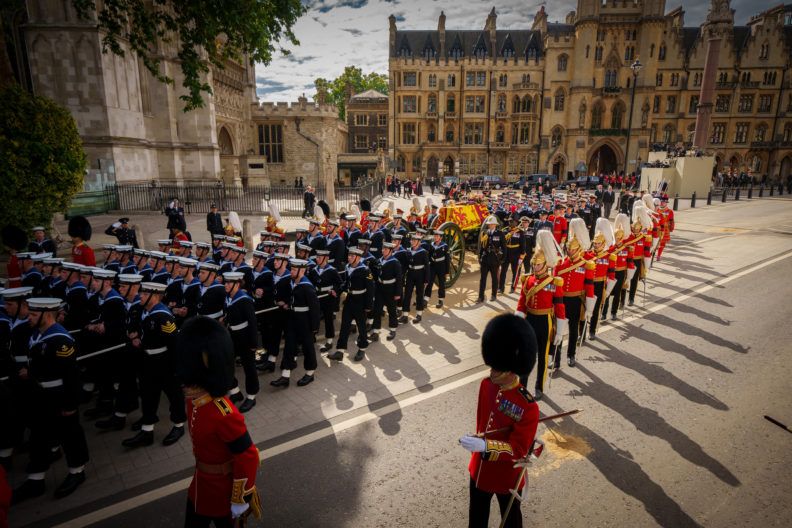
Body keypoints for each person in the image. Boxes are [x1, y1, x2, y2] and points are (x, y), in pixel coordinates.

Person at [176, 316, 262, 528]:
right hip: (200, 485)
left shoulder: (223, 413)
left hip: (224, 491)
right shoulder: (194, 401)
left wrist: (240, 498)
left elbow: (248, 456)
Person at [459, 313, 540, 528]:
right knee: (476, 522)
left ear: (512, 369)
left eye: (497, 367)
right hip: (480, 470)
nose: (492, 371)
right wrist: (477, 443)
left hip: (508, 477)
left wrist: (485, 446)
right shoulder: (487, 385)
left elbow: (519, 449)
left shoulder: (528, 406)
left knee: (511, 523)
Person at [12, 297, 89, 503]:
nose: (29, 318)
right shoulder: (39, 334)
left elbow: (71, 376)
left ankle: (76, 471)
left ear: (46, 316)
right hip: (41, 395)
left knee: (70, 436)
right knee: (39, 437)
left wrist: (70, 404)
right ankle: (36, 479)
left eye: (34, 315)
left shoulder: (60, 340)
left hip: (59, 395)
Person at [121, 282, 186, 448]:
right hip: (147, 361)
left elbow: (174, 344)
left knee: (174, 395)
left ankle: (179, 426)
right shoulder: (144, 311)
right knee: (148, 395)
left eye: (143, 294)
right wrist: (136, 338)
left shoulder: (163, 316)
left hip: (165, 362)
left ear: (154, 296)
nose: (140, 296)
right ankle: (147, 430)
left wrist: (176, 369)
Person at [514, 230, 567, 399]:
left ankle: (539, 386)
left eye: (538, 265)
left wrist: (559, 331)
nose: (535, 268)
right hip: (530, 319)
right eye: (534, 265)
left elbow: (559, 307)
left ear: (545, 264)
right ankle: (522, 386)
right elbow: (522, 303)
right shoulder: (527, 280)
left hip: (545, 321)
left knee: (543, 357)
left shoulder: (554, 282)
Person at [271, 259, 320, 388]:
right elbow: (291, 296)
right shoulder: (292, 282)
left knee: (308, 347)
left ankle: (310, 373)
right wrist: (286, 303)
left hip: (305, 320)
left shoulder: (307, 286)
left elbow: (314, 308)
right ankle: (285, 376)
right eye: (291, 269)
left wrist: (314, 327)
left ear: (302, 271)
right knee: (289, 346)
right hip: (292, 318)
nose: (291, 272)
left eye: (294, 270)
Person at [554, 219, 596, 368]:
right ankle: (556, 359)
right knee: (557, 330)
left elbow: (589, 285)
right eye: (569, 249)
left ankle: (571, 355)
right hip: (562, 301)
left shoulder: (586, 264)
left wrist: (590, 306)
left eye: (572, 249)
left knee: (573, 330)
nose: (570, 251)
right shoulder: (560, 264)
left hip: (576, 300)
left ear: (578, 249)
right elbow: (554, 284)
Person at [328, 248, 373, 362]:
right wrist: (337, 291)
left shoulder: (365, 270)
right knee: (344, 326)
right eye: (349, 256)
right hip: (349, 300)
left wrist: (368, 306)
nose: (349, 258)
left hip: (361, 302)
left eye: (352, 256)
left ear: (358, 257)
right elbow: (346, 284)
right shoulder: (348, 267)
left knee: (361, 327)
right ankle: (340, 351)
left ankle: (362, 348)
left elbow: (370, 289)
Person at [222, 272, 259, 412]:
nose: (226, 285)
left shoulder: (244, 300)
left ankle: (251, 396)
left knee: (249, 367)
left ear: (237, 285)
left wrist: (253, 344)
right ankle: (236, 391)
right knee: (226, 363)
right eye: (225, 282)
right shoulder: (228, 297)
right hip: (231, 335)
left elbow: (252, 323)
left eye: (229, 283)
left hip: (244, 337)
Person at [369, 242, 402, 342]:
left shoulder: (395, 262)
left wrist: (397, 293)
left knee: (391, 310)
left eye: (386, 249)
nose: (383, 251)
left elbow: (399, 279)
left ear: (391, 251)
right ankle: (376, 331)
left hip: (391, 289)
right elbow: (375, 275)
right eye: (383, 249)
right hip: (380, 288)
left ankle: (392, 329)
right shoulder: (379, 260)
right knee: (377, 310)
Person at [399, 233, 429, 324]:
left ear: (419, 242)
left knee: (419, 295)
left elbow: (427, 267)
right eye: (412, 240)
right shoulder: (408, 251)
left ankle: (419, 314)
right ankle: (405, 315)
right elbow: (405, 266)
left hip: (420, 275)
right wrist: (403, 275)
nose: (412, 242)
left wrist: (426, 279)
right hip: (410, 274)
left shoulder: (423, 252)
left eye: (414, 241)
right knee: (407, 294)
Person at [477, 216, 505, 303]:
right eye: (489, 224)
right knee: (483, 279)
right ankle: (480, 297)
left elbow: (504, 248)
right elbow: (482, 246)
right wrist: (480, 257)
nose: (489, 225)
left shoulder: (500, 233)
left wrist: (502, 260)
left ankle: (493, 295)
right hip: (485, 259)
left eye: (491, 224)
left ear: (495, 225)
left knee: (494, 278)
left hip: (494, 259)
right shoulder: (485, 233)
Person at [498, 218, 525, 295]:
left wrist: (522, 255)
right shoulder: (505, 230)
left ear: (516, 222)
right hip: (506, 253)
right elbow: (501, 243)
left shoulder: (520, 232)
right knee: (503, 271)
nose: (511, 223)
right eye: (510, 221)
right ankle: (501, 288)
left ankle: (513, 287)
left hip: (516, 254)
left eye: (513, 221)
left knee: (515, 272)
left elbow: (523, 244)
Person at [425, 230, 448, 308]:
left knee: (441, 284)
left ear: (440, 238)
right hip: (433, 266)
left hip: (441, 266)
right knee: (429, 282)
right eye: (435, 236)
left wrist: (447, 271)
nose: (435, 238)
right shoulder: (431, 245)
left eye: (437, 236)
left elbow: (447, 259)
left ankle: (440, 300)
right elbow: (429, 256)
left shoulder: (444, 246)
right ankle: (426, 299)